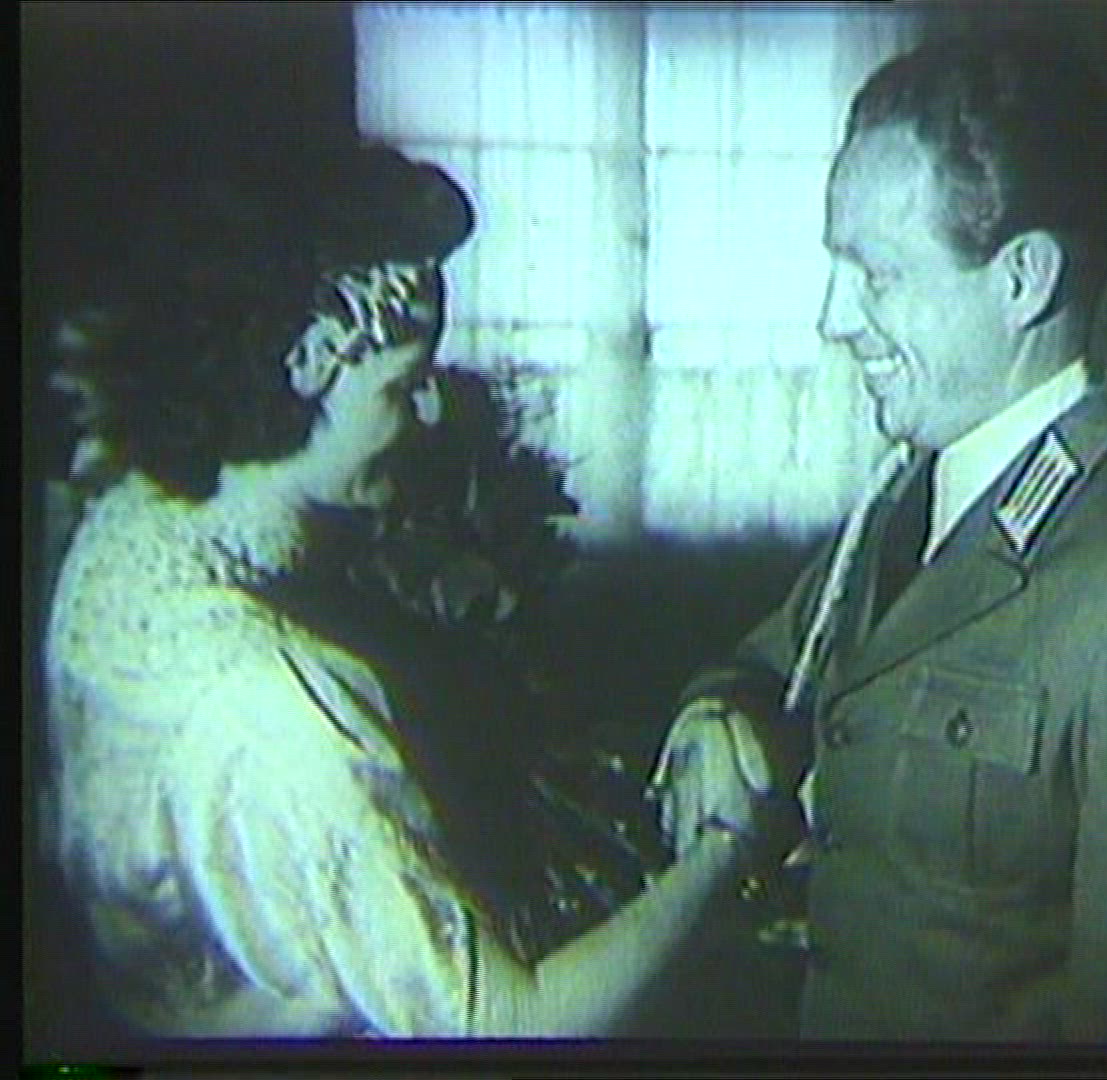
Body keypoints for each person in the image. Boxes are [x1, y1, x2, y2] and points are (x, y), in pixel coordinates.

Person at [647, 32, 1107, 1045]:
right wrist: (713, 718)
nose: (835, 319)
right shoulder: (905, 504)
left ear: (1022, 282)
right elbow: (770, 670)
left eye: (876, 274)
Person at [38, 140, 758, 1039]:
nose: (428, 412)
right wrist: (728, 847)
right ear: (308, 361)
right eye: (406, 383)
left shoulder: (127, 532)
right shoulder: (274, 708)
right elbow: (507, 1027)